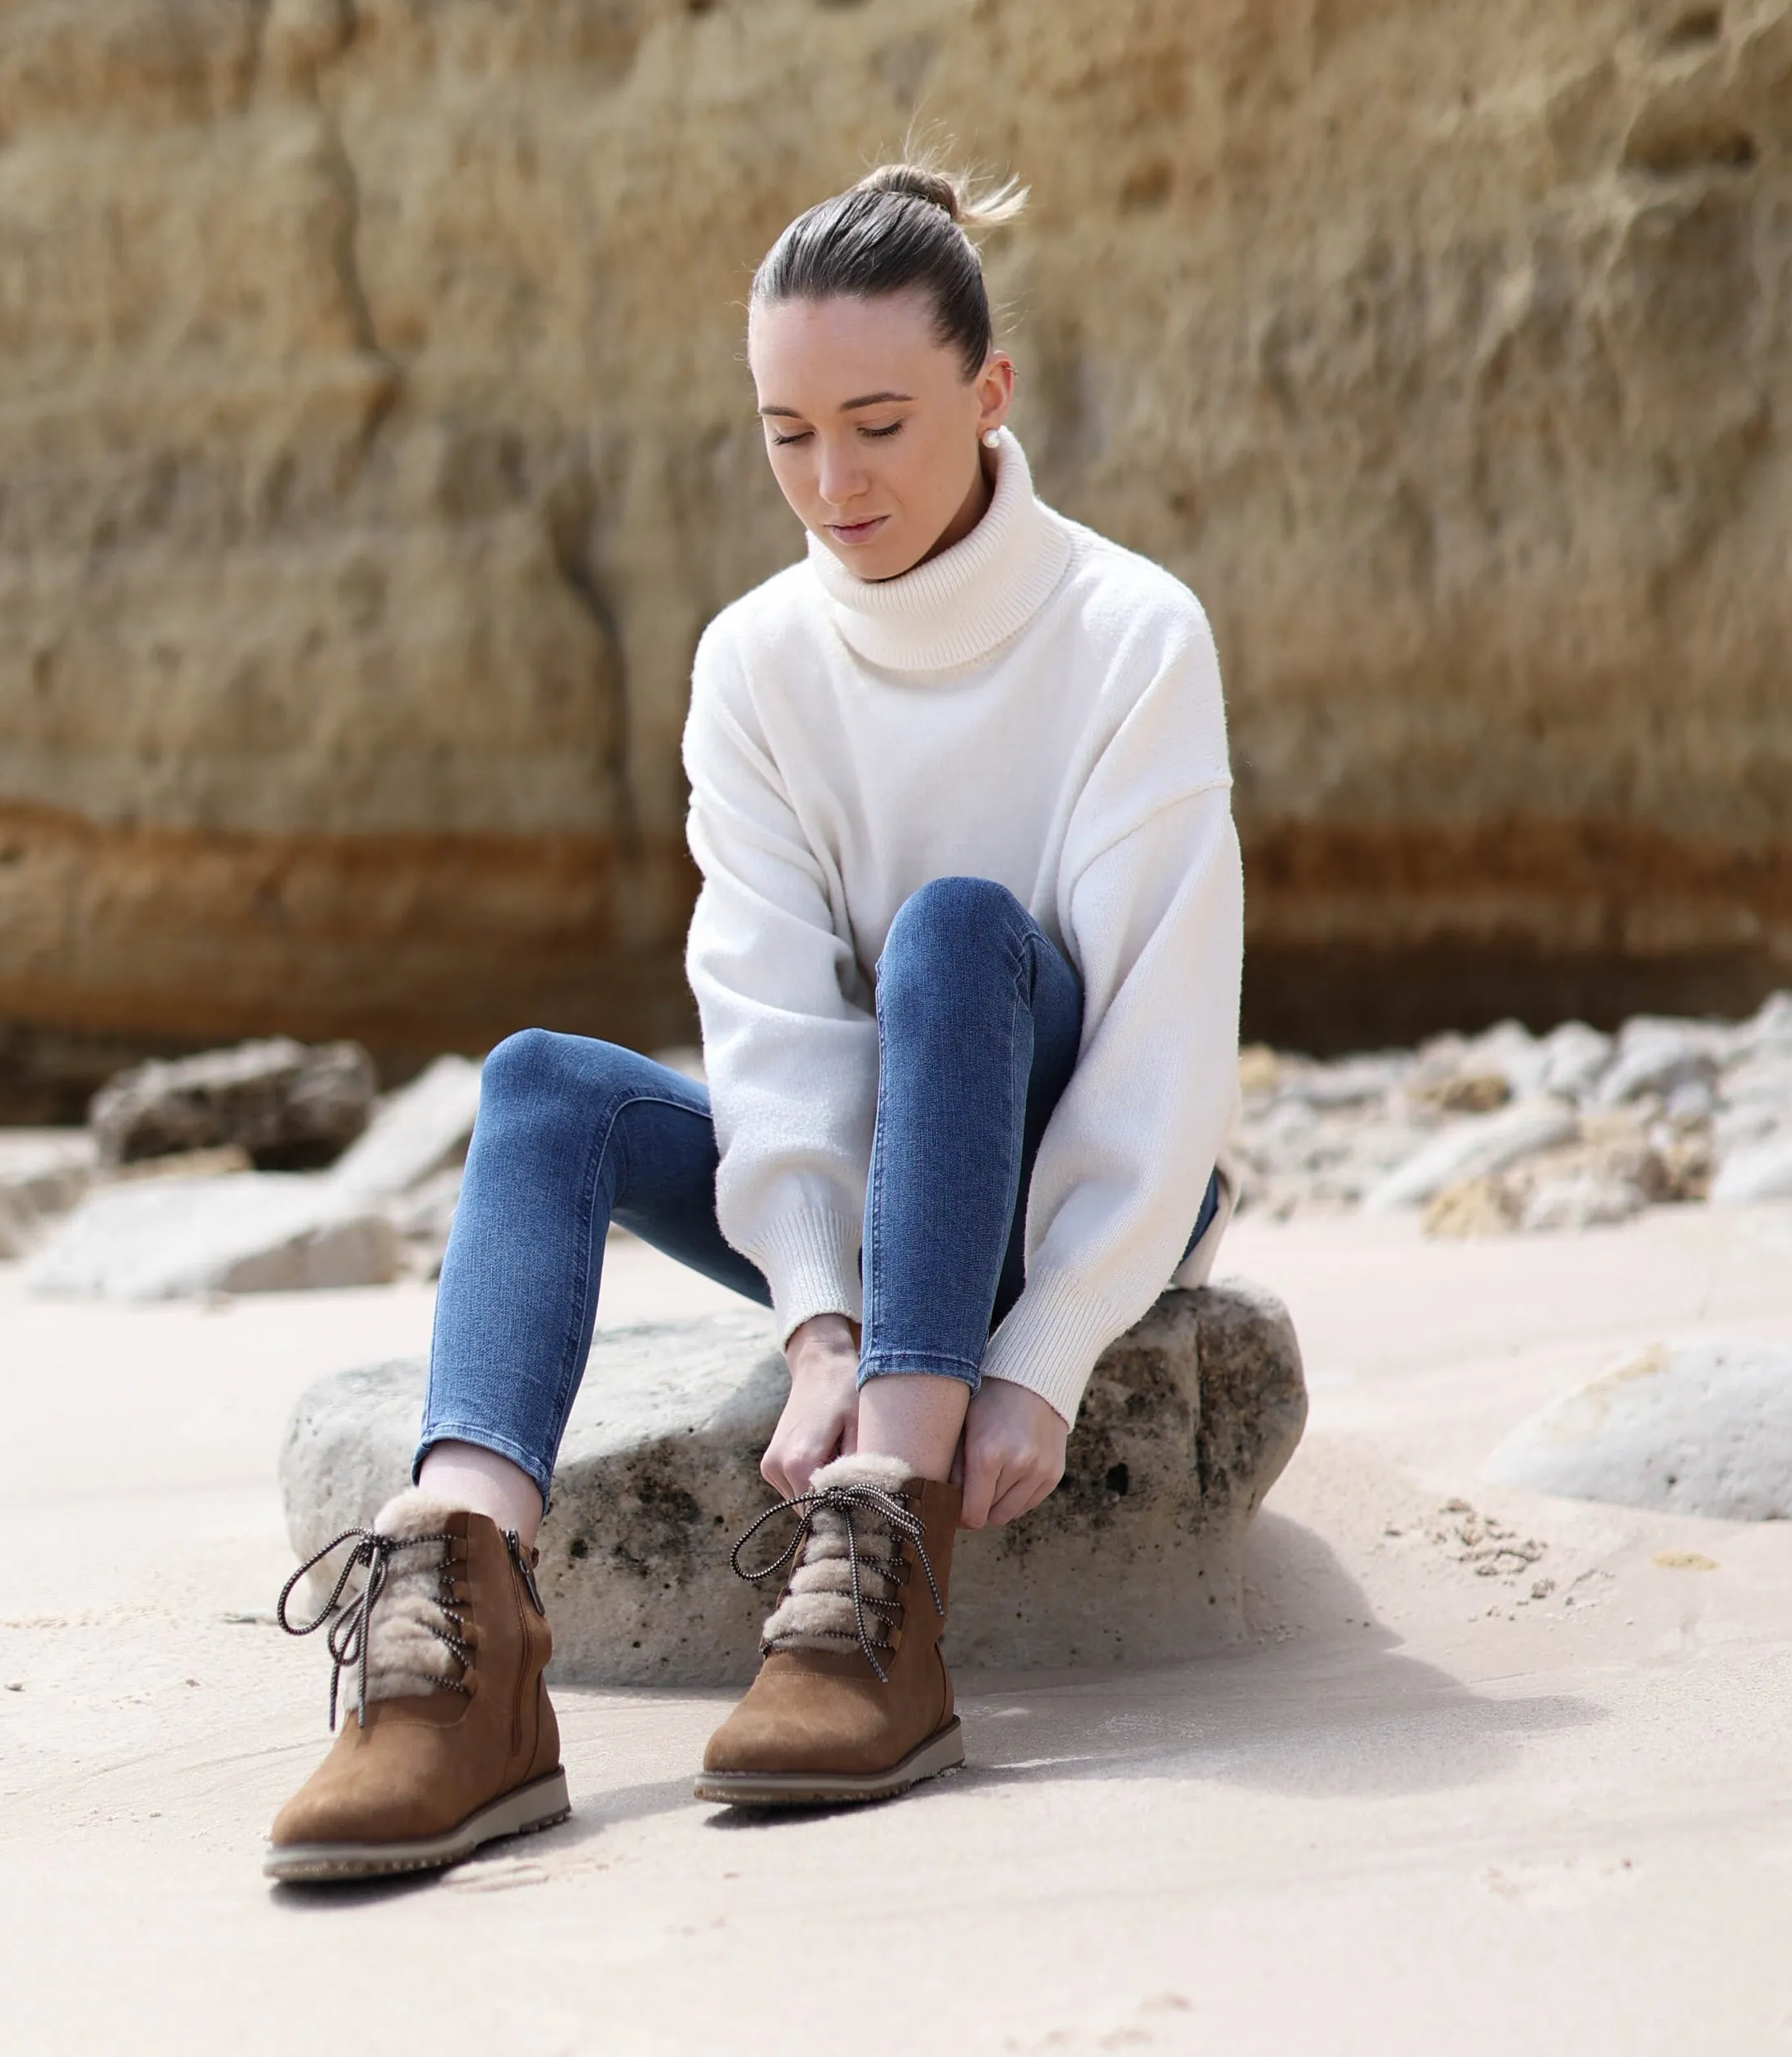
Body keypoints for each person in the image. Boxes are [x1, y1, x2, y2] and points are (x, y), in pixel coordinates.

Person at [262, 154, 1244, 1880]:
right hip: (872, 1201)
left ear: (987, 390)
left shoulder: (1126, 629)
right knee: (540, 1083)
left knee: (955, 930)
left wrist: (1047, 1346)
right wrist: (814, 1315)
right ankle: (465, 1636)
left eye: (876, 422)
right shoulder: (753, 658)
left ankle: (884, 1570)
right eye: (786, 431)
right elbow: (769, 1004)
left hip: (1076, 1184)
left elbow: (1164, 1031)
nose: (830, 480)